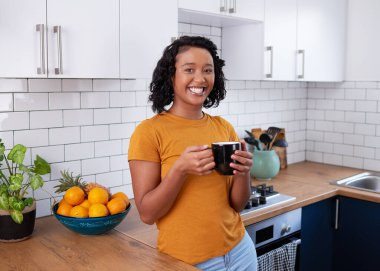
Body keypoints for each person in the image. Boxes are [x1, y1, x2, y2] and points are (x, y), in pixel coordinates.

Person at [128, 36, 257, 271]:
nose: (200, 78)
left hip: (240, 250)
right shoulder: (148, 132)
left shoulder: (223, 127)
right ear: (171, 75)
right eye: (189, 69)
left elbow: (236, 205)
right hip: (189, 261)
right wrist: (180, 170)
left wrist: (243, 172)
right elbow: (147, 214)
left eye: (208, 70)